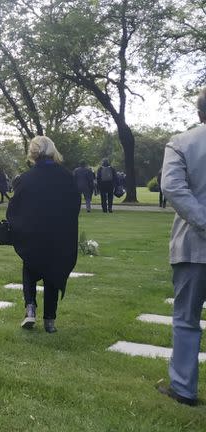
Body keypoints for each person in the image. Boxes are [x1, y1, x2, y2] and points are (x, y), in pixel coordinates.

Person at [157, 89, 206, 406]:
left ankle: (184, 387)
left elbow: (172, 186)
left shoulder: (182, 142)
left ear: (200, 112)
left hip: (192, 245)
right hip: (193, 243)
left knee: (187, 318)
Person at [6, 136, 80, 333]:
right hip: (57, 235)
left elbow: (14, 208)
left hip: (33, 234)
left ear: (33, 153)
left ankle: (30, 308)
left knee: (29, 269)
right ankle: (50, 321)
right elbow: (74, 207)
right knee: (52, 276)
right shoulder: (67, 177)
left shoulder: (26, 179)